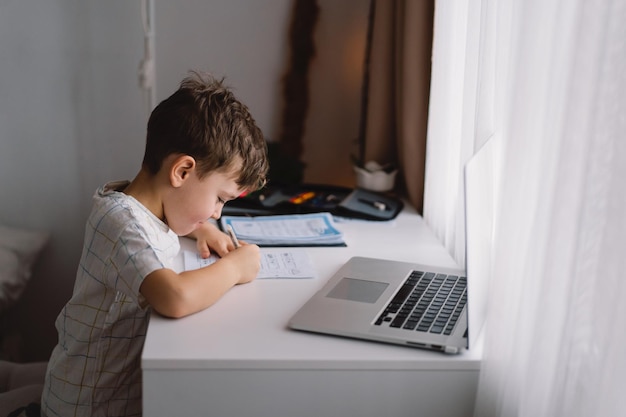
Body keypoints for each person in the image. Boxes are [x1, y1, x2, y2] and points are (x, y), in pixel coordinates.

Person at [41, 71, 269, 417]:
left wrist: (199, 229)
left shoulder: (139, 207)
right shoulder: (121, 223)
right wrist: (236, 268)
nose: (217, 212)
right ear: (181, 172)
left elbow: (154, 225)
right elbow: (175, 298)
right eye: (220, 199)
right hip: (87, 407)